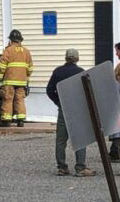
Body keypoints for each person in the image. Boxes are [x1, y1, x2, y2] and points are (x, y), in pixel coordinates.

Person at [46, 48, 96, 177]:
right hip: (78, 109)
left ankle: (62, 167)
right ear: (77, 58)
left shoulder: (58, 72)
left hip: (64, 108)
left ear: (66, 58)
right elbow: (87, 91)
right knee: (80, 138)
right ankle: (80, 168)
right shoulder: (81, 72)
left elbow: (50, 90)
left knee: (61, 140)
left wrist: (58, 102)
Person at [0, 29, 33, 127]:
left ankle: (6, 121)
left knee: (8, 99)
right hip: (21, 81)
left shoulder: (8, 50)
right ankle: (20, 120)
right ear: (20, 40)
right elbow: (30, 68)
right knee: (20, 100)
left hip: (9, 80)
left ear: (11, 40)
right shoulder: (26, 52)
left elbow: (2, 66)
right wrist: (27, 79)